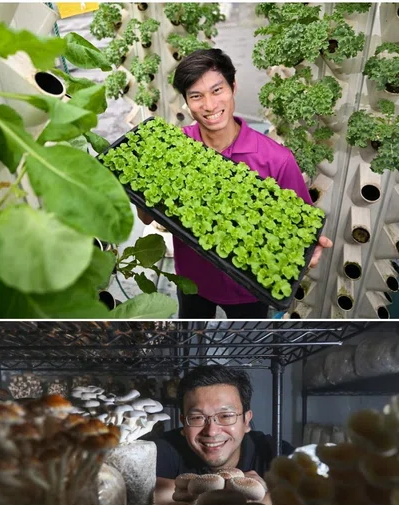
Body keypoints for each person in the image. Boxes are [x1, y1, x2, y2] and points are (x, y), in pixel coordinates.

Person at [137, 48, 333, 319]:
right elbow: (147, 217)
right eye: (196, 96)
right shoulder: (175, 147)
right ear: (186, 101)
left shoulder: (276, 159)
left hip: (250, 287)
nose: (209, 105)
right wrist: (143, 185)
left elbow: (301, 223)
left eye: (217, 90)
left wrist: (307, 249)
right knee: (191, 341)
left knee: (247, 347)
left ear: (233, 87)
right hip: (192, 279)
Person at [142, 365, 294, 505]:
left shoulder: (275, 452)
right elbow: (133, 494)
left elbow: (309, 498)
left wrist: (186, 491)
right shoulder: (163, 448)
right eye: (197, 418)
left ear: (246, 421)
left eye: (226, 416)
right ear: (184, 424)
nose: (212, 431)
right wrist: (232, 489)